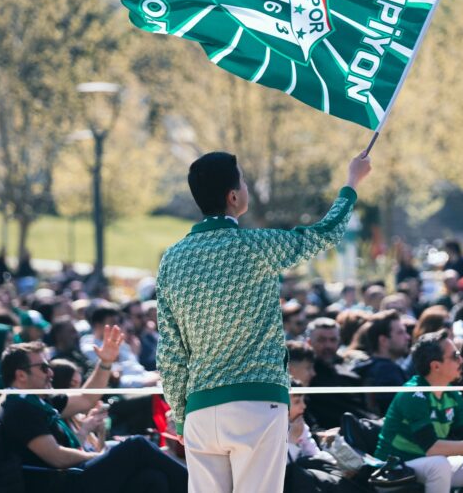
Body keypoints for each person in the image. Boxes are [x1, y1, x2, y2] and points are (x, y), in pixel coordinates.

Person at [156, 150, 370, 493]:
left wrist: (181, 413)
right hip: (255, 403)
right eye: (242, 180)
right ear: (233, 196)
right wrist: (351, 185)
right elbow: (324, 234)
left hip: (199, 411)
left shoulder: (171, 260)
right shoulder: (255, 246)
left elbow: (169, 351)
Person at [0, 335, 186, 492]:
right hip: (59, 483)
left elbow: (87, 398)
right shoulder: (17, 407)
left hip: (70, 475)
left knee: (152, 479)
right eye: (44, 368)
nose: (50, 373)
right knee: (136, 445)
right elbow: (56, 457)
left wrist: (105, 362)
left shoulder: (37, 399)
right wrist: (100, 455)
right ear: (21, 375)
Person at [374, 330, 463, 493]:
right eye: (455, 356)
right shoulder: (413, 394)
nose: (461, 360)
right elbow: (432, 448)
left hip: (425, 464)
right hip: (392, 470)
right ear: (435, 366)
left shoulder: (453, 394)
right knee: (438, 464)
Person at [355, 310, 411, 415]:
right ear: (383, 340)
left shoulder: (364, 367)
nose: (408, 337)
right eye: (400, 333)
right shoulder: (388, 372)